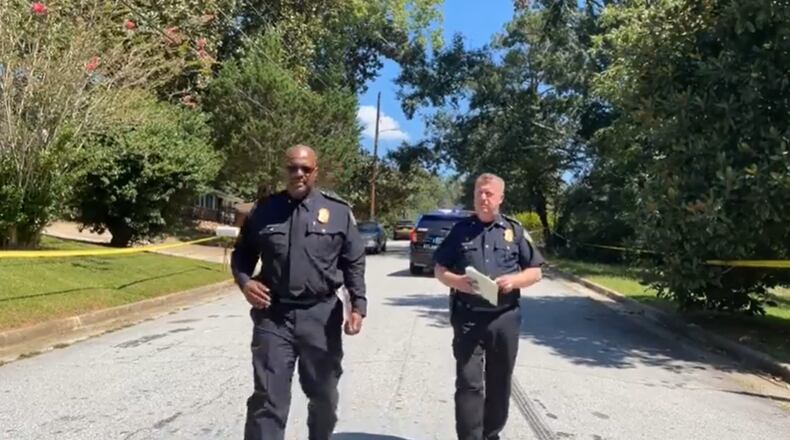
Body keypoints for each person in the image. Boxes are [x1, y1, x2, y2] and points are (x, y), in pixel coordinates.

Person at [231, 144, 367, 440]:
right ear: (285, 170)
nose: (298, 173)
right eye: (292, 167)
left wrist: (358, 305)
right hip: (273, 315)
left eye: (305, 168)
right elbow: (242, 254)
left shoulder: (338, 212)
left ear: (315, 172)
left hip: (321, 317)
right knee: (268, 399)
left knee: (324, 396)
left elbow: (353, 261)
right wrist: (245, 282)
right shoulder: (264, 210)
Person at [433, 173, 544, 440]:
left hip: (504, 318)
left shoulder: (515, 231)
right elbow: (439, 269)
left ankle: (490, 434)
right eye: (479, 193)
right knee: (468, 384)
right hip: (468, 317)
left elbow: (535, 272)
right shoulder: (460, 231)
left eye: (489, 194)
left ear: (500, 198)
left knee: (499, 382)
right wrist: (457, 282)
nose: (483, 198)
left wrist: (514, 280)